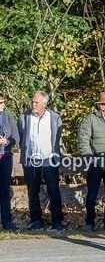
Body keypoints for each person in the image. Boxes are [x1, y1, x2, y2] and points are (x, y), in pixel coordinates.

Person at [18, 90, 64, 231]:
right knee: (33, 192)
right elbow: (22, 137)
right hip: (31, 161)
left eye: (36, 102)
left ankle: (57, 222)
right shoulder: (25, 117)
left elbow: (57, 138)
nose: (33, 104)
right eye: (32, 101)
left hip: (49, 160)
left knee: (54, 192)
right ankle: (36, 221)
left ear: (44, 103)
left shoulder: (54, 117)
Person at [78, 90, 105, 232]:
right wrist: (90, 158)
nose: (104, 106)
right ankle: (89, 221)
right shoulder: (90, 119)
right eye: (102, 104)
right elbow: (83, 140)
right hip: (95, 160)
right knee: (92, 194)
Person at [0, 92, 20, 230]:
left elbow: (16, 138)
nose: (0, 105)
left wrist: (6, 141)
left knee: (4, 191)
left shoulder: (9, 117)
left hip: (5, 157)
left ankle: (7, 221)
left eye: (2, 102)